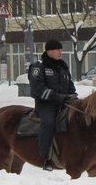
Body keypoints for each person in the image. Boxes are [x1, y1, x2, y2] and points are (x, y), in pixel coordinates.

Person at [28, 39, 77, 171]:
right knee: (48, 123)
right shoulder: (38, 67)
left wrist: (74, 97)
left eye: (61, 49)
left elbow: (70, 86)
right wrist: (57, 96)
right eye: (58, 50)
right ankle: (46, 158)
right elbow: (37, 90)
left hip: (64, 103)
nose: (61, 52)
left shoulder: (63, 66)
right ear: (49, 51)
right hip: (45, 105)